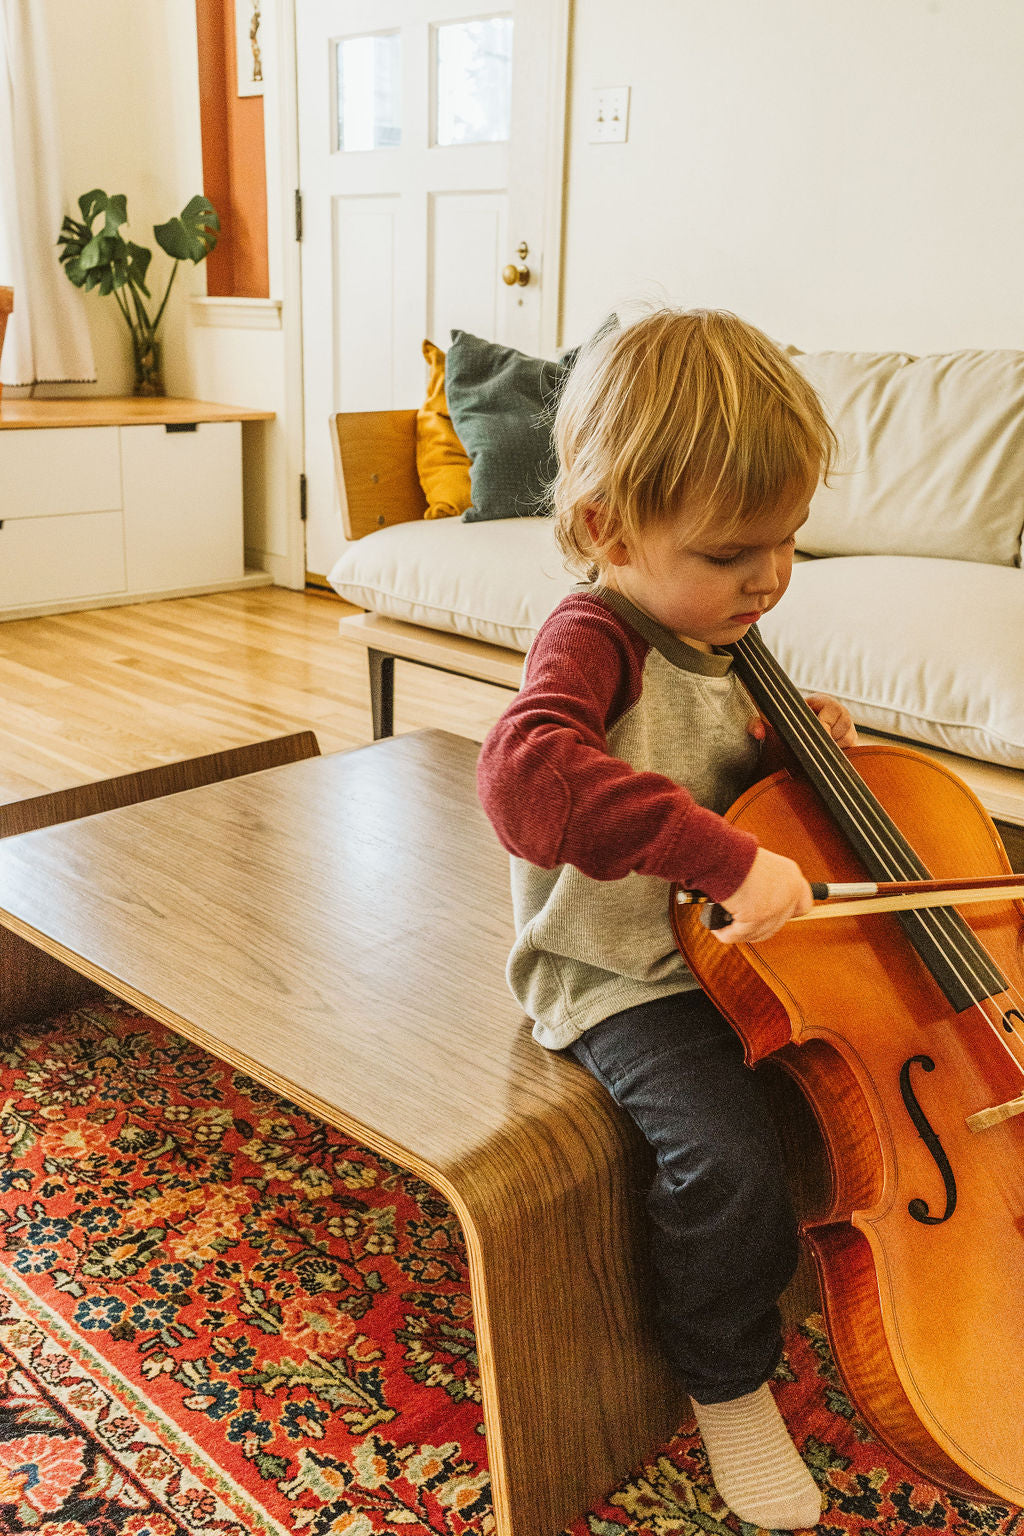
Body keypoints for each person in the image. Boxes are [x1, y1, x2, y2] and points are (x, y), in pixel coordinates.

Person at [476, 308, 856, 1531]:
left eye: (788, 541)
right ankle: (724, 1377)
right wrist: (728, 855)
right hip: (628, 970)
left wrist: (786, 762)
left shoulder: (720, 626)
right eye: (732, 551)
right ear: (605, 529)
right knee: (725, 1158)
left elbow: (708, 771)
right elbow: (529, 781)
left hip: (738, 957)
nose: (767, 578)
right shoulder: (593, 636)